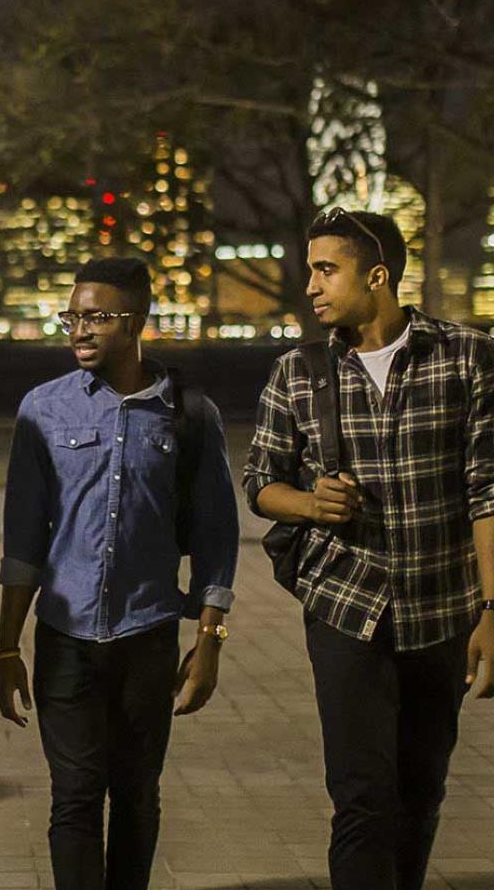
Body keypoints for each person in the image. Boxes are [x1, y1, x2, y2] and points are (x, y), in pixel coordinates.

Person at [243, 209, 494, 890]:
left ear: (376, 275)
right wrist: (308, 502)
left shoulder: (464, 357)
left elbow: (487, 492)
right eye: (310, 270)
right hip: (345, 608)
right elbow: (260, 481)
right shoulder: (298, 372)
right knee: (361, 798)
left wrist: (492, 612)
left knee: (421, 792)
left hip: (441, 608)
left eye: (327, 270)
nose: (312, 287)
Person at [0, 256, 238, 890]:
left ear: (137, 323)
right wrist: (5, 645)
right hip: (65, 634)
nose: (79, 329)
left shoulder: (189, 414)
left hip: (149, 633)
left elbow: (216, 536)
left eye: (97, 316)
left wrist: (208, 644)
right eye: (72, 315)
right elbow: (23, 536)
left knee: (136, 794)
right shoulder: (41, 410)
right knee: (73, 796)